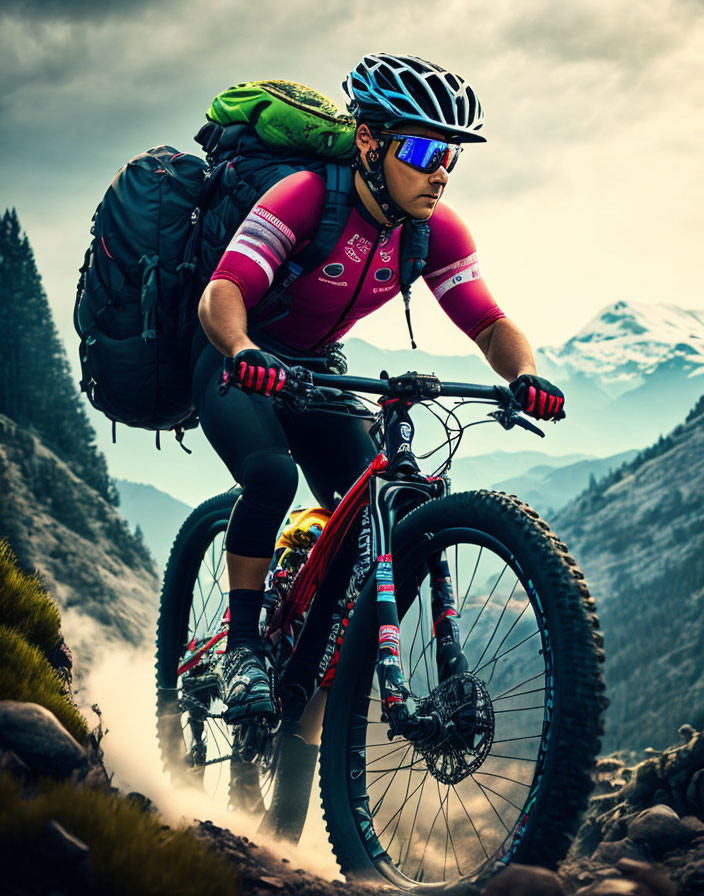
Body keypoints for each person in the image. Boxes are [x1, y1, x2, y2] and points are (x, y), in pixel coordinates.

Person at [191, 52, 565, 726]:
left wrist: (525, 375)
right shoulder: (305, 197)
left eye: (451, 155)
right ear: (368, 139)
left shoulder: (431, 232)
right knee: (271, 478)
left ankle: (313, 652)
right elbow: (223, 295)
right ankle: (242, 646)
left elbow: (487, 320)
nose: (440, 172)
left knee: (369, 519)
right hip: (234, 355)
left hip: (316, 370)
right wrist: (244, 351)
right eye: (423, 150)